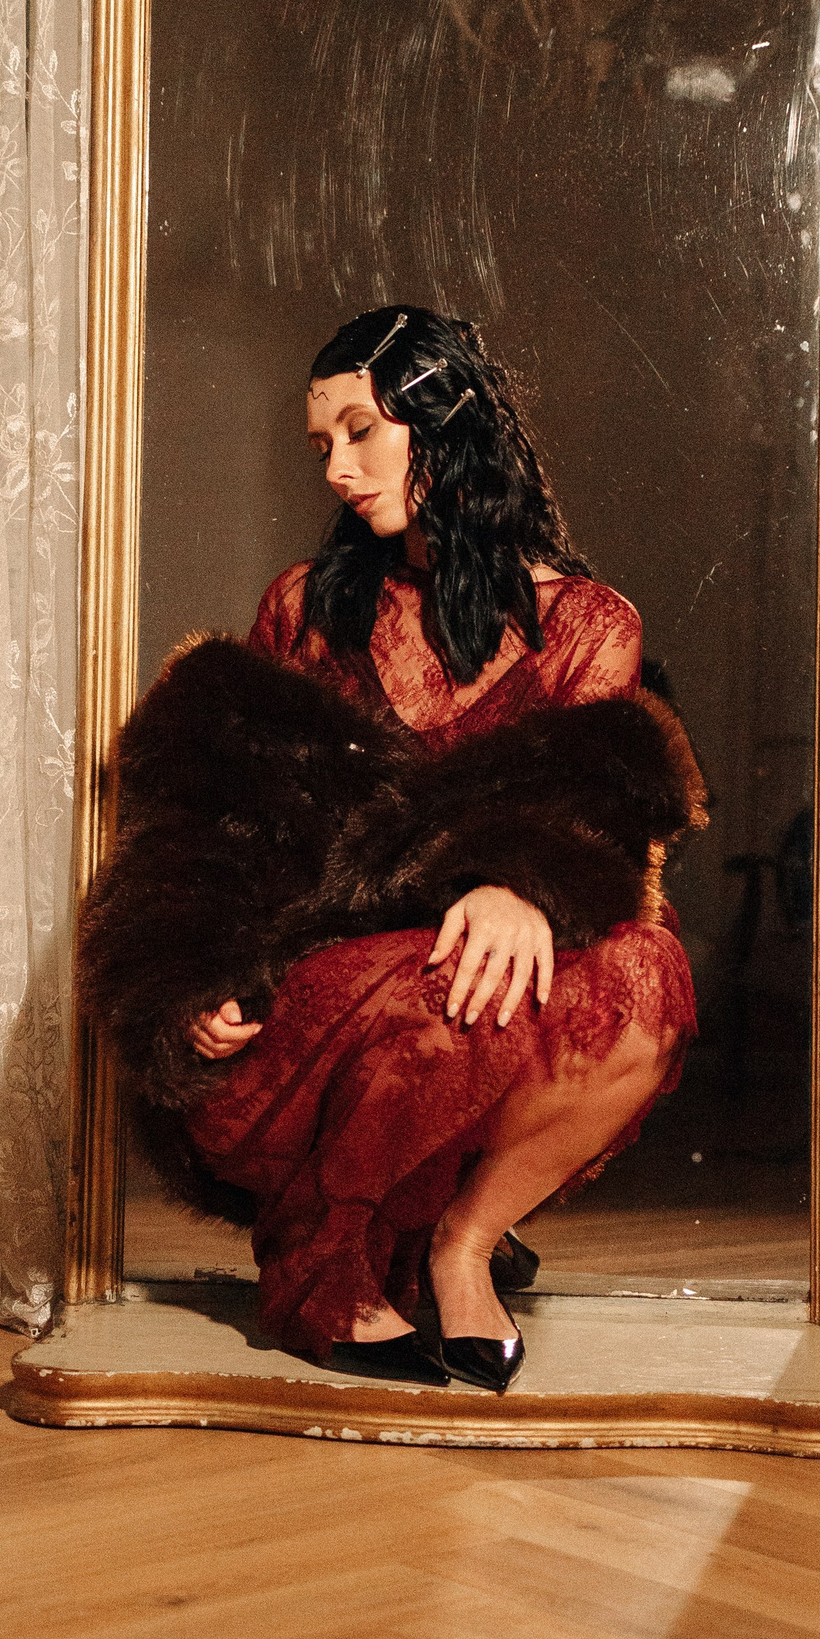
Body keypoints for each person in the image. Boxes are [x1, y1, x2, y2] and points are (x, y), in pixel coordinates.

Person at [79, 306, 702, 1392]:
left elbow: (593, 809)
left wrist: (524, 884)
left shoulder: (592, 624)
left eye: (361, 431)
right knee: (433, 989)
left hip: (485, 983)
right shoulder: (304, 606)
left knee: (647, 973)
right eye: (322, 443)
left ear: (448, 420)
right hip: (319, 994)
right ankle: (326, 1262)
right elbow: (221, 819)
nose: (337, 467)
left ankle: (462, 1244)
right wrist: (192, 972)